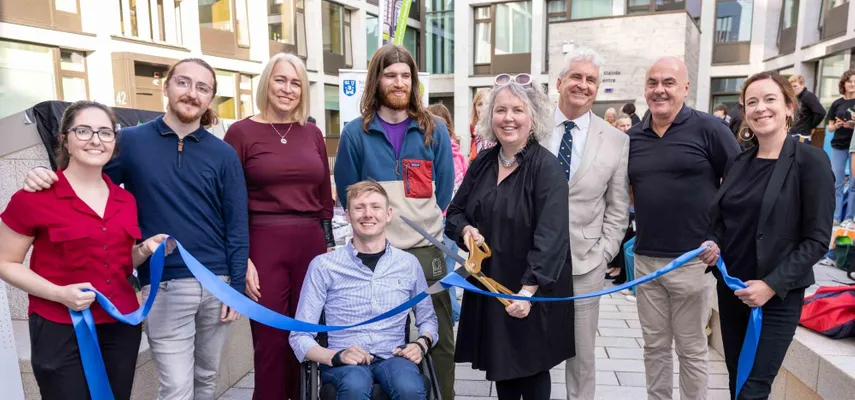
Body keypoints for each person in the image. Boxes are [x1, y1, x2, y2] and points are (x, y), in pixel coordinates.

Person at [23, 58, 249, 400]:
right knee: (176, 387)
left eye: (203, 88)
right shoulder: (128, 141)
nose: (192, 93)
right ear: (167, 86)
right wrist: (45, 176)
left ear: (211, 98)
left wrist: (236, 287)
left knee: (207, 378)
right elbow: (86, 182)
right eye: (184, 83)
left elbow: (236, 223)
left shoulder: (224, 154)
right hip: (165, 283)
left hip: (218, 284)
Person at [0, 101, 172, 400]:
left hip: (120, 324)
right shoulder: (34, 198)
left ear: (114, 143)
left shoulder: (125, 200)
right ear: (64, 139)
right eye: (83, 130)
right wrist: (58, 293)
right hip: (59, 326)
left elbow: (118, 261)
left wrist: (144, 249)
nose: (95, 139)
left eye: (105, 132)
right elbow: (5, 262)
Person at [700, 71, 834, 398]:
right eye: (752, 102)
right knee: (737, 381)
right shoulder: (739, 162)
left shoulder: (811, 162)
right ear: (745, 112)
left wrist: (771, 285)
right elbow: (726, 220)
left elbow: (817, 240)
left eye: (770, 99)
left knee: (753, 389)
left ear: (789, 107)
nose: (761, 108)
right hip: (734, 291)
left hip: (776, 297)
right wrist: (713, 242)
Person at [334, 44, 456, 400]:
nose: (399, 82)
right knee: (381, 340)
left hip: (425, 252)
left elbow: (444, 192)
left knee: (440, 338)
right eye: (390, 74)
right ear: (377, 80)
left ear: (414, 82)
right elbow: (347, 193)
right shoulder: (356, 133)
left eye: (405, 75)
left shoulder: (435, 131)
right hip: (376, 255)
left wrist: (416, 220)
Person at [445, 74, 573, 399]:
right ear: (491, 117)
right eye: (500, 110)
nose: (508, 118)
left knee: (530, 370)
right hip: (492, 284)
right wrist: (466, 230)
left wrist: (528, 290)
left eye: (518, 110)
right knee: (502, 367)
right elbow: (455, 213)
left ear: (534, 117)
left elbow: (552, 235)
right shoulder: (483, 162)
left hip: (530, 289)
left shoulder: (547, 168)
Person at [627, 57, 740, 400]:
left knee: (691, 349)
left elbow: (738, 186)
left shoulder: (710, 129)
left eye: (669, 82)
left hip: (693, 260)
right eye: (653, 82)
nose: (659, 90)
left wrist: (720, 239)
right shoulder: (632, 137)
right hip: (646, 261)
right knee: (654, 347)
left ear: (685, 88)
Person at [223, 53, 335, 400]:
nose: (288, 89)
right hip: (263, 244)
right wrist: (242, 259)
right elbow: (229, 201)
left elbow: (323, 197)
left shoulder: (312, 133)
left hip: (311, 245)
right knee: (270, 340)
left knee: (307, 336)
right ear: (266, 83)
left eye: (296, 83)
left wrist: (329, 247)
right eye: (280, 80)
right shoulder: (240, 132)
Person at [289, 181, 438, 400]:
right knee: (355, 385)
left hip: (393, 356)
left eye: (375, 207)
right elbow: (300, 336)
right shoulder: (323, 266)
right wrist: (335, 356)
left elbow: (428, 319)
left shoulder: (408, 264)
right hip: (344, 361)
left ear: (388, 214)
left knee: (409, 387)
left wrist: (421, 343)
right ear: (348, 216)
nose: (368, 214)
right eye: (360, 208)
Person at [543, 48, 629, 400]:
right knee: (531, 351)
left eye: (590, 79)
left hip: (585, 265)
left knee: (582, 357)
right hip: (533, 262)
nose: (582, 85)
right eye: (575, 77)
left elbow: (618, 206)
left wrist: (604, 252)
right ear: (559, 82)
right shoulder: (533, 127)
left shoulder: (616, 140)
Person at [427, 102, 466, 325]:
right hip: (454, 219)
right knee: (447, 272)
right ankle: (451, 316)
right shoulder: (458, 153)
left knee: (439, 274)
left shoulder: (438, 153)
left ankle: (452, 315)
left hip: (439, 218)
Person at [825, 69, 855, 225]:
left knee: (853, 183)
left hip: (854, 147)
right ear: (844, 83)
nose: (852, 84)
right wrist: (836, 125)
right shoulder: (837, 103)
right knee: (836, 182)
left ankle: (849, 217)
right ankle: (836, 217)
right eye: (850, 81)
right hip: (838, 145)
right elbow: (829, 127)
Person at [787, 74, 825, 142]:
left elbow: (821, 112)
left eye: (795, 86)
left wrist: (812, 126)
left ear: (802, 85)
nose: (793, 89)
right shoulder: (796, 98)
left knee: (800, 152)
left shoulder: (808, 96)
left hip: (802, 135)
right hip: (793, 133)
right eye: (791, 87)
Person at [470, 88, 494, 161]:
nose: (484, 107)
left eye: (487, 103)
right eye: (479, 104)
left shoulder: (497, 130)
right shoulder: (476, 130)